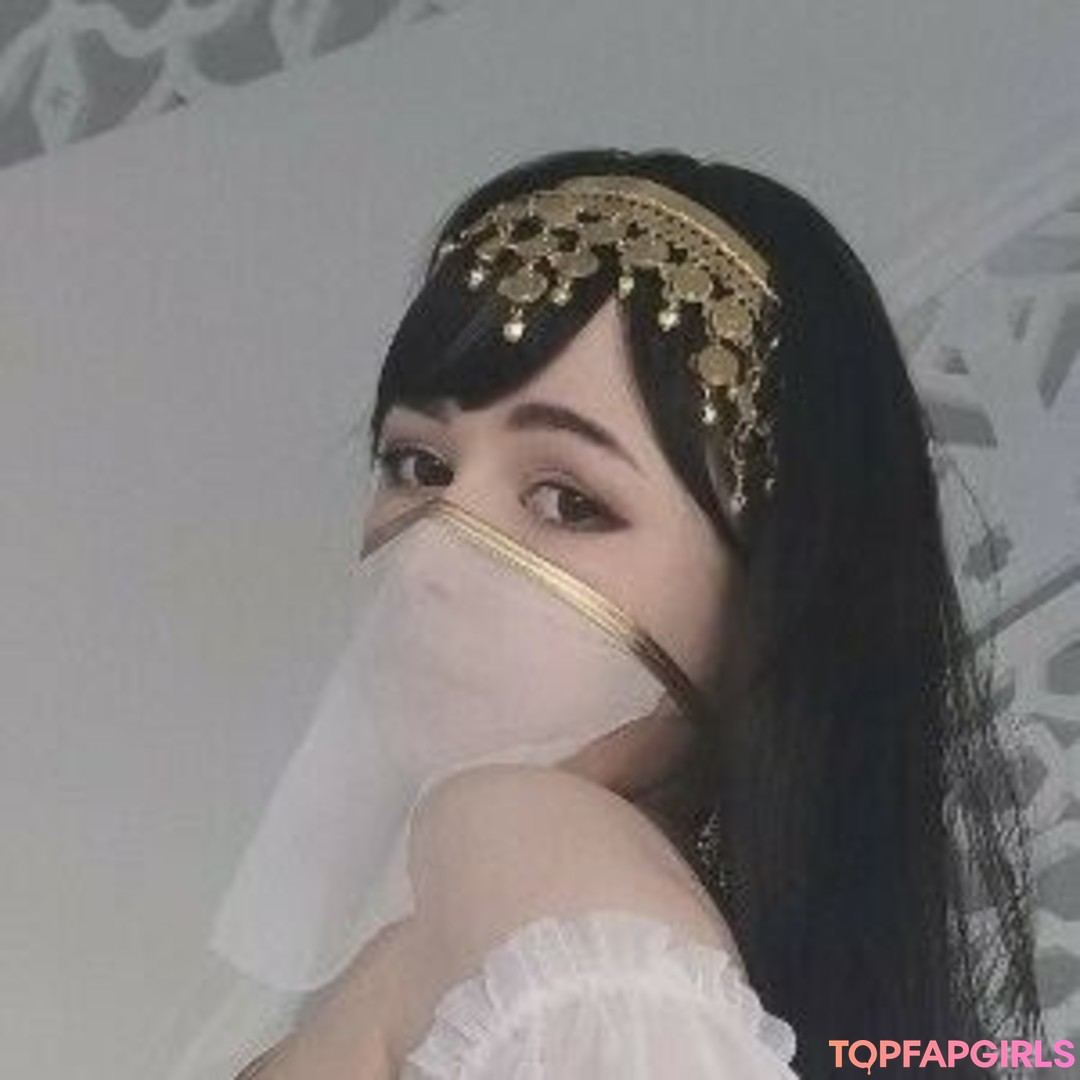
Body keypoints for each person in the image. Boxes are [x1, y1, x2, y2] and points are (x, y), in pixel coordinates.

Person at [214, 148, 1042, 1079]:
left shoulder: (524, 846)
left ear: (765, 605)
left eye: (569, 502)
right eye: (420, 465)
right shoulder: (471, 924)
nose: (426, 559)